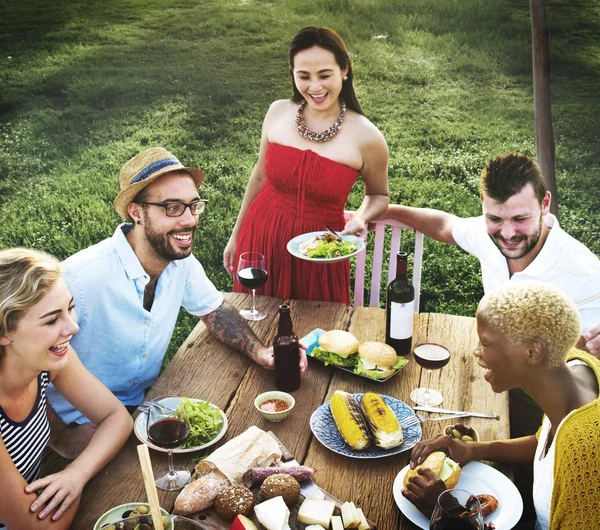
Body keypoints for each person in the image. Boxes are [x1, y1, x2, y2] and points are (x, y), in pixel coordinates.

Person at [46, 147, 306, 459]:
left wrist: (261, 353)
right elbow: (20, 363)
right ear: (136, 212)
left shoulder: (179, 261)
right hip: (81, 424)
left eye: (193, 205)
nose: (189, 220)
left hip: (146, 410)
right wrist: (60, 436)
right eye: (172, 208)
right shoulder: (80, 278)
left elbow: (214, 310)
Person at [402, 281, 600, 529]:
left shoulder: (587, 449)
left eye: (485, 343)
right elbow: (549, 447)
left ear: (533, 351)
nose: (476, 351)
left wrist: (447, 510)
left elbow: (572, 452)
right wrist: (471, 450)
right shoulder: (573, 369)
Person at [223, 26, 390, 304]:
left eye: (325, 75)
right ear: (292, 75)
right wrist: (237, 235)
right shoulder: (277, 112)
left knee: (318, 332)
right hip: (262, 234)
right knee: (258, 322)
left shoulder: (367, 136)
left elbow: (379, 195)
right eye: (304, 76)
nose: (315, 87)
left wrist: (360, 217)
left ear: (344, 69)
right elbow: (259, 178)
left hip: (319, 252)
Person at [381, 152, 600, 356]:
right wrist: (381, 211)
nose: (507, 234)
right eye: (494, 219)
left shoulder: (586, 277)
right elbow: (443, 226)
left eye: (520, 219)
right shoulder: (484, 234)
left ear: (545, 204)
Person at [0, 249, 133, 529]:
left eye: (69, 307)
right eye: (51, 320)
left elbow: (116, 417)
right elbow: (36, 526)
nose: (72, 327)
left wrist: (76, 474)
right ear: (4, 333)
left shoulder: (51, 358)